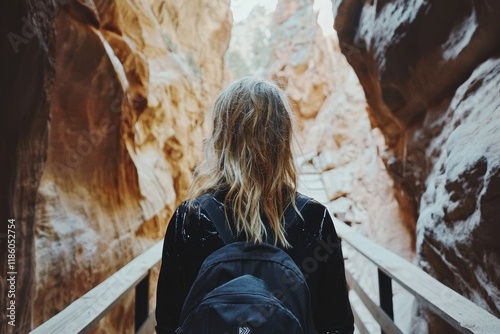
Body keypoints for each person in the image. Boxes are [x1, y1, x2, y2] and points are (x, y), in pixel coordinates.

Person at [155, 77, 354, 334]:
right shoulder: (314, 219)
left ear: (221, 136)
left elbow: (169, 325)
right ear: (282, 138)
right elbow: (337, 327)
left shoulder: (190, 219)